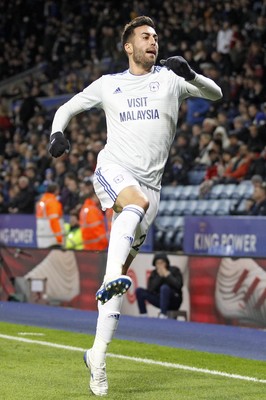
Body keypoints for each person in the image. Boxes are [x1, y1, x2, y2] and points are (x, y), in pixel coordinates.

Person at [48, 16, 222, 396]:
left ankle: (97, 356)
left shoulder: (172, 78)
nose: (153, 42)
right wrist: (56, 133)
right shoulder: (110, 85)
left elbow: (216, 94)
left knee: (117, 287)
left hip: (151, 191)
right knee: (134, 208)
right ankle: (111, 276)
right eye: (145, 37)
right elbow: (68, 108)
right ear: (129, 47)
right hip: (114, 170)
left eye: (156, 37)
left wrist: (191, 74)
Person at [136, 253, 183, 318]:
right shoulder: (154, 273)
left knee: (164, 288)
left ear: (166, 263)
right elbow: (150, 289)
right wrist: (160, 277)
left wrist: (167, 275)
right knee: (139, 291)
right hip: (160, 300)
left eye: (162, 262)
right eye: (158, 263)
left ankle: (163, 314)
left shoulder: (175, 270)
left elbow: (178, 285)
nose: (160, 265)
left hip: (174, 301)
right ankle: (143, 315)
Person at [79, 181, 109, 251]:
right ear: (94, 196)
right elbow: (96, 229)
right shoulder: (92, 210)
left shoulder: (84, 209)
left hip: (88, 247)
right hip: (97, 247)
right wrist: (106, 242)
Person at [35, 182, 64, 248]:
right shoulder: (52, 202)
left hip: (42, 237)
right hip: (52, 238)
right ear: (56, 190)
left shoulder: (42, 201)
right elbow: (54, 220)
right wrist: (59, 237)